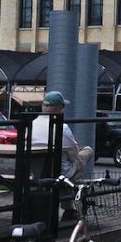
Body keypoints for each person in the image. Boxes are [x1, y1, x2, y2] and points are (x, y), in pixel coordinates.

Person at [31, 91, 94, 219]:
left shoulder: (32, 124)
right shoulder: (62, 127)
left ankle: (69, 208)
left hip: (36, 173)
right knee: (86, 152)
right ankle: (73, 205)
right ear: (59, 108)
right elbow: (73, 155)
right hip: (61, 173)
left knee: (65, 165)